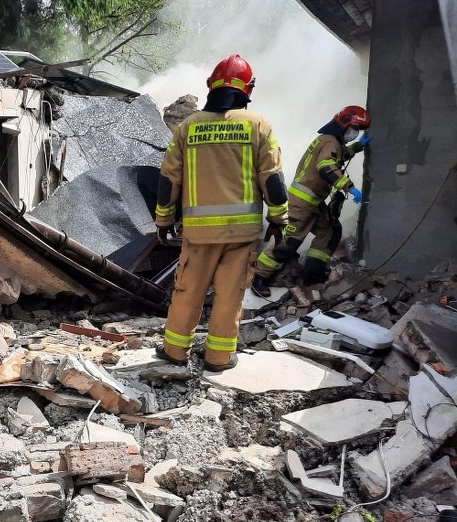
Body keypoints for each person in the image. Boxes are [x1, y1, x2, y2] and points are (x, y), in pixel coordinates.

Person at [154, 54, 289, 372]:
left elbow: (168, 178)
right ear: (248, 88)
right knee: (230, 296)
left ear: (210, 86)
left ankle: (175, 351)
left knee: (188, 292)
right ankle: (219, 358)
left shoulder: (188, 127)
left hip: (198, 235)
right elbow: (273, 178)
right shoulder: (258, 125)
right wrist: (278, 220)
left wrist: (163, 220)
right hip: (241, 235)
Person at [251, 105, 371, 296]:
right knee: (287, 243)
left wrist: (358, 146)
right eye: (355, 130)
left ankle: (312, 275)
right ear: (345, 125)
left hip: (314, 203)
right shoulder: (329, 142)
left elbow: (338, 155)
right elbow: (326, 166)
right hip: (301, 204)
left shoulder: (331, 141)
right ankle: (258, 278)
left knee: (330, 232)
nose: (355, 134)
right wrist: (349, 187)